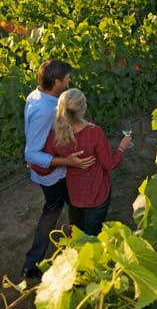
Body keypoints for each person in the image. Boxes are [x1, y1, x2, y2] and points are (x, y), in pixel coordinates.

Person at [22, 60, 95, 280]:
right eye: (67, 79)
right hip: (53, 174)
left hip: (47, 172)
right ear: (56, 82)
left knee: (62, 207)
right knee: (69, 207)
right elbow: (31, 153)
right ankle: (76, 255)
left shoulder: (35, 96)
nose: (69, 81)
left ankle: (35, 262)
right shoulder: (46, 109)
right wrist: (68, 162)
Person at [32, 88, 132, 236]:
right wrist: (122, 146)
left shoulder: (56, 135)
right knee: (91, 237)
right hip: (97, 194)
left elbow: (40, 166)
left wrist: (66, 161)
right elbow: (110, 164)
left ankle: (75, 253)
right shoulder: (95, 132)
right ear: (83, 109)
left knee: (77, 233)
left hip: (75, 194)